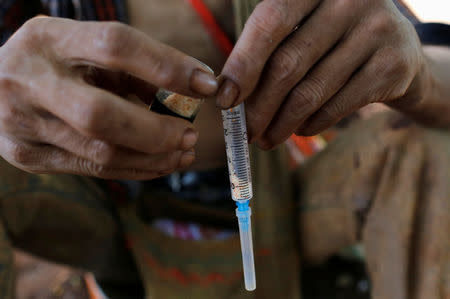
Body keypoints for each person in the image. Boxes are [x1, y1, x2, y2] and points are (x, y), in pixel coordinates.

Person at [0, 0, 449, 298]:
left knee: (431, 146)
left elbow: (424, 50)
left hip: (284, 192)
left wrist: (420, 73)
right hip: (112, 205)